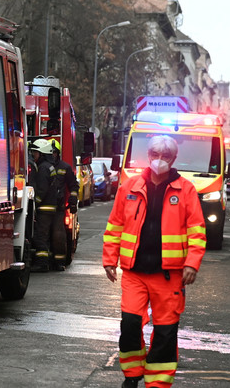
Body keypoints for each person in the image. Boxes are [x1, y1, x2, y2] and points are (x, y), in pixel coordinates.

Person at [103, 135, 206, 388]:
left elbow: (197, 230)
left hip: (168, 275)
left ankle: (157, 383)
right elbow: (115, 224)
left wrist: (192, 263)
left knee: (165, 332)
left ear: (173, 159)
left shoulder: (186, 189)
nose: (160, 160)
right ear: (148, 155)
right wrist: (109, 259)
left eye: (166, 156)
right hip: (134, 272)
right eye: (156, 154)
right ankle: (132, 375)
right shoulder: (130, 186)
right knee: (130, 325)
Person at [30, 139, 60, 272]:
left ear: (41, 154)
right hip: (50, 207)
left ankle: (42, 264)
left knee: (39, 236)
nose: (33, 155)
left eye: (35, 153)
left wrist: (34, 204)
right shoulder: (50, 166)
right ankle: (45, 262)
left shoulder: (42, 168)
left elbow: (41, 190)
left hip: (44, 208)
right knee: (45, 236)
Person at [49, 139, 79, 271]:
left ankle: (59, 261)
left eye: (54, 153)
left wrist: (72, 201)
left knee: (58, 234)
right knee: (42, 235)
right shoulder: (43, 166)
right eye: (50, 153)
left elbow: (73, 186)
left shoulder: (64, 167)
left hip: (58, 208)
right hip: (43, 207)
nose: (52, 155)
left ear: (58, 153)